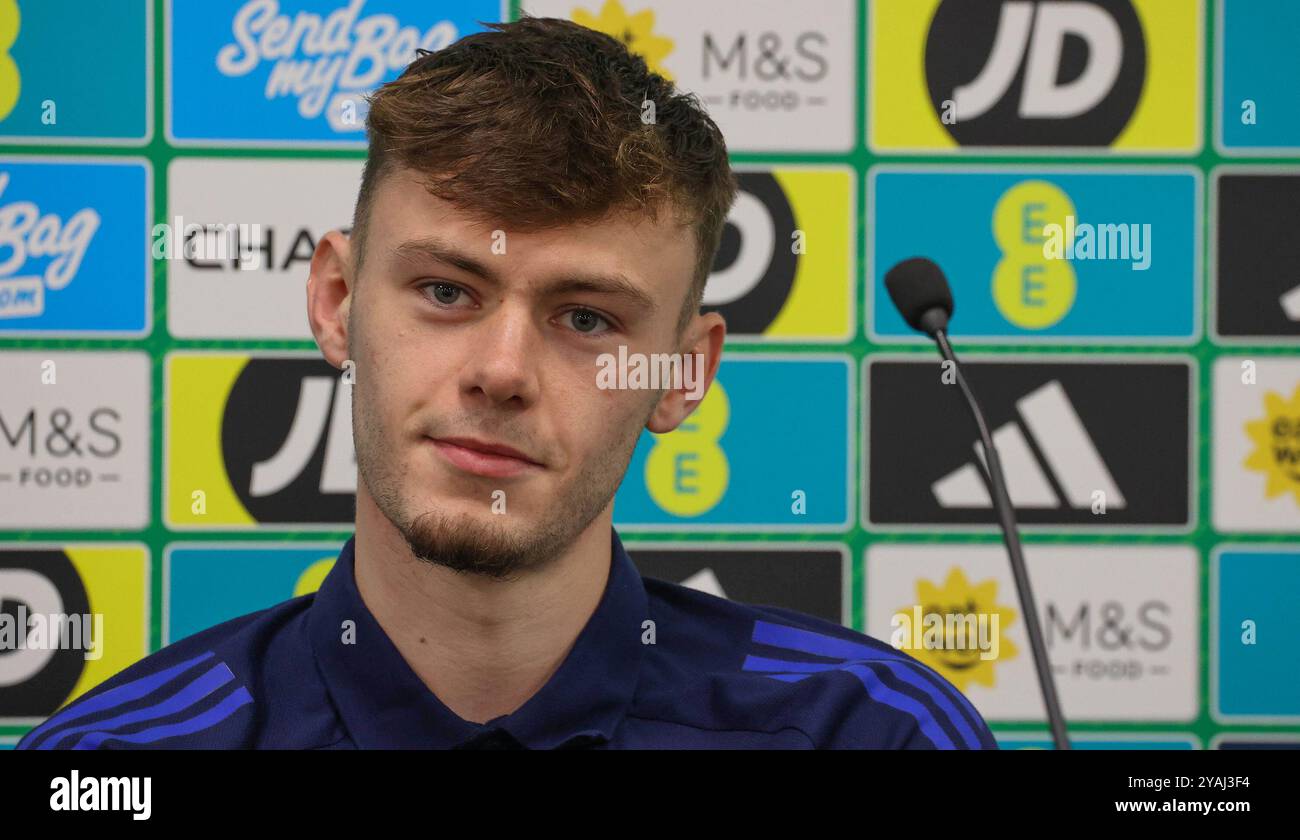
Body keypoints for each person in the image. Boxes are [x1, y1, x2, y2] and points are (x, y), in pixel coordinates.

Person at [19, 16, 996, 750]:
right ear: (335, 299)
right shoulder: (114, 765)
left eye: (585, 318)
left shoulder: (869, 732)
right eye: (446, 290)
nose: (500, 371)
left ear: (682, 373)